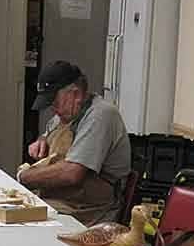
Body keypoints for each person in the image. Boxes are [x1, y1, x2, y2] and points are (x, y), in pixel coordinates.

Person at [20, 61, 131, 226]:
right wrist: (41, 141)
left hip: (90, 210)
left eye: (55, 102)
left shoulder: (100, 115)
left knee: (23, 223)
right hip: (61, 199)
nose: (53, 109)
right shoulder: (66, 114)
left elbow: (72, 173)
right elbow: (50, 133)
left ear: (76, 94)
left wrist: (24, 177)